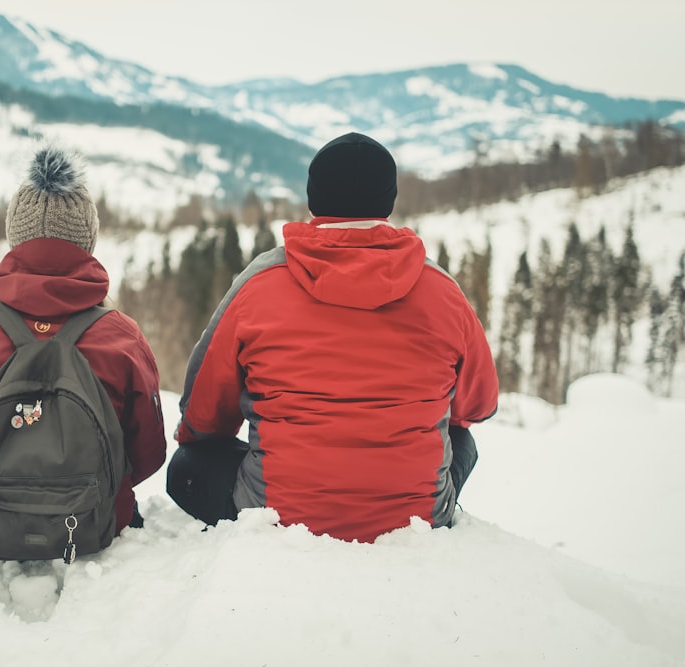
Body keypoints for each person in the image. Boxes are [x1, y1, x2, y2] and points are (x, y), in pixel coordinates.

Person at [167, 132, 498, 543]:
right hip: (416, 517)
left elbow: (202, 418)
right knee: (461, 438)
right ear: (389, 201)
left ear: (313, 197)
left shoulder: (260, 283)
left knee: (186, 465)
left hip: (279, 513)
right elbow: (478, 406)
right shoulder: (442, 290)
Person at [0, 144, 167, 534]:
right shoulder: (120, 336)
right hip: (96, 519)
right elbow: (149, 452)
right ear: (87, 241)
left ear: (15, 237)